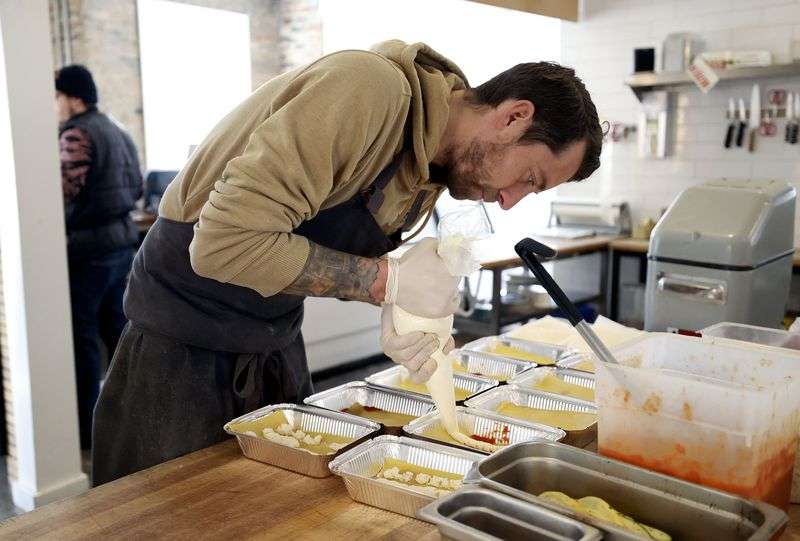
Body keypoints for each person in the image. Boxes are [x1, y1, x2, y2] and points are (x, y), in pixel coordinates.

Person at [92, 40, 602, 484]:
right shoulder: (366, 90)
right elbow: (225, 242)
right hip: (180, 347)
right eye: (530, 178)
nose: (512, 200)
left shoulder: (429, 165)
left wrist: (402, 311)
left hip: (273, 339)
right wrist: (386, 281)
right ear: (514, 115)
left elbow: (328, 254)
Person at [55, 64, 143, 450]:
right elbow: (138, 186)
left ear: (73, 98)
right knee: (119, 333)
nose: (54, 105)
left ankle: (89, 433)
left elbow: (63, 191)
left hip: (87, 249)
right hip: (122, 242)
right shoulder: (118, 130)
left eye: (56, 97)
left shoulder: (76, 134)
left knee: (84, 338)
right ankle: (133, 418)